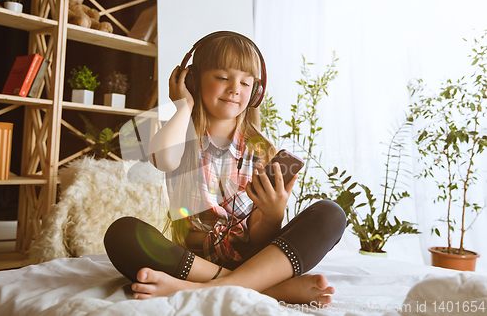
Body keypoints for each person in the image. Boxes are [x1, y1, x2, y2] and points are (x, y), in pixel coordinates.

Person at [104, 31, 346, 305]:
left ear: (255, 92)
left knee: (331, 214)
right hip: (191, 261)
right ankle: (268, 290)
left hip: (252, 260)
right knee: (121, 234)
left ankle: (198, 289)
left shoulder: (262, 151)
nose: (235, 88)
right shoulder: (179, 133)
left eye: (246, 82)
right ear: (192, 81)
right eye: (222, 77)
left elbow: (259, 238)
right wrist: (183, 105)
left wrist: (273, 214)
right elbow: (165, 160)